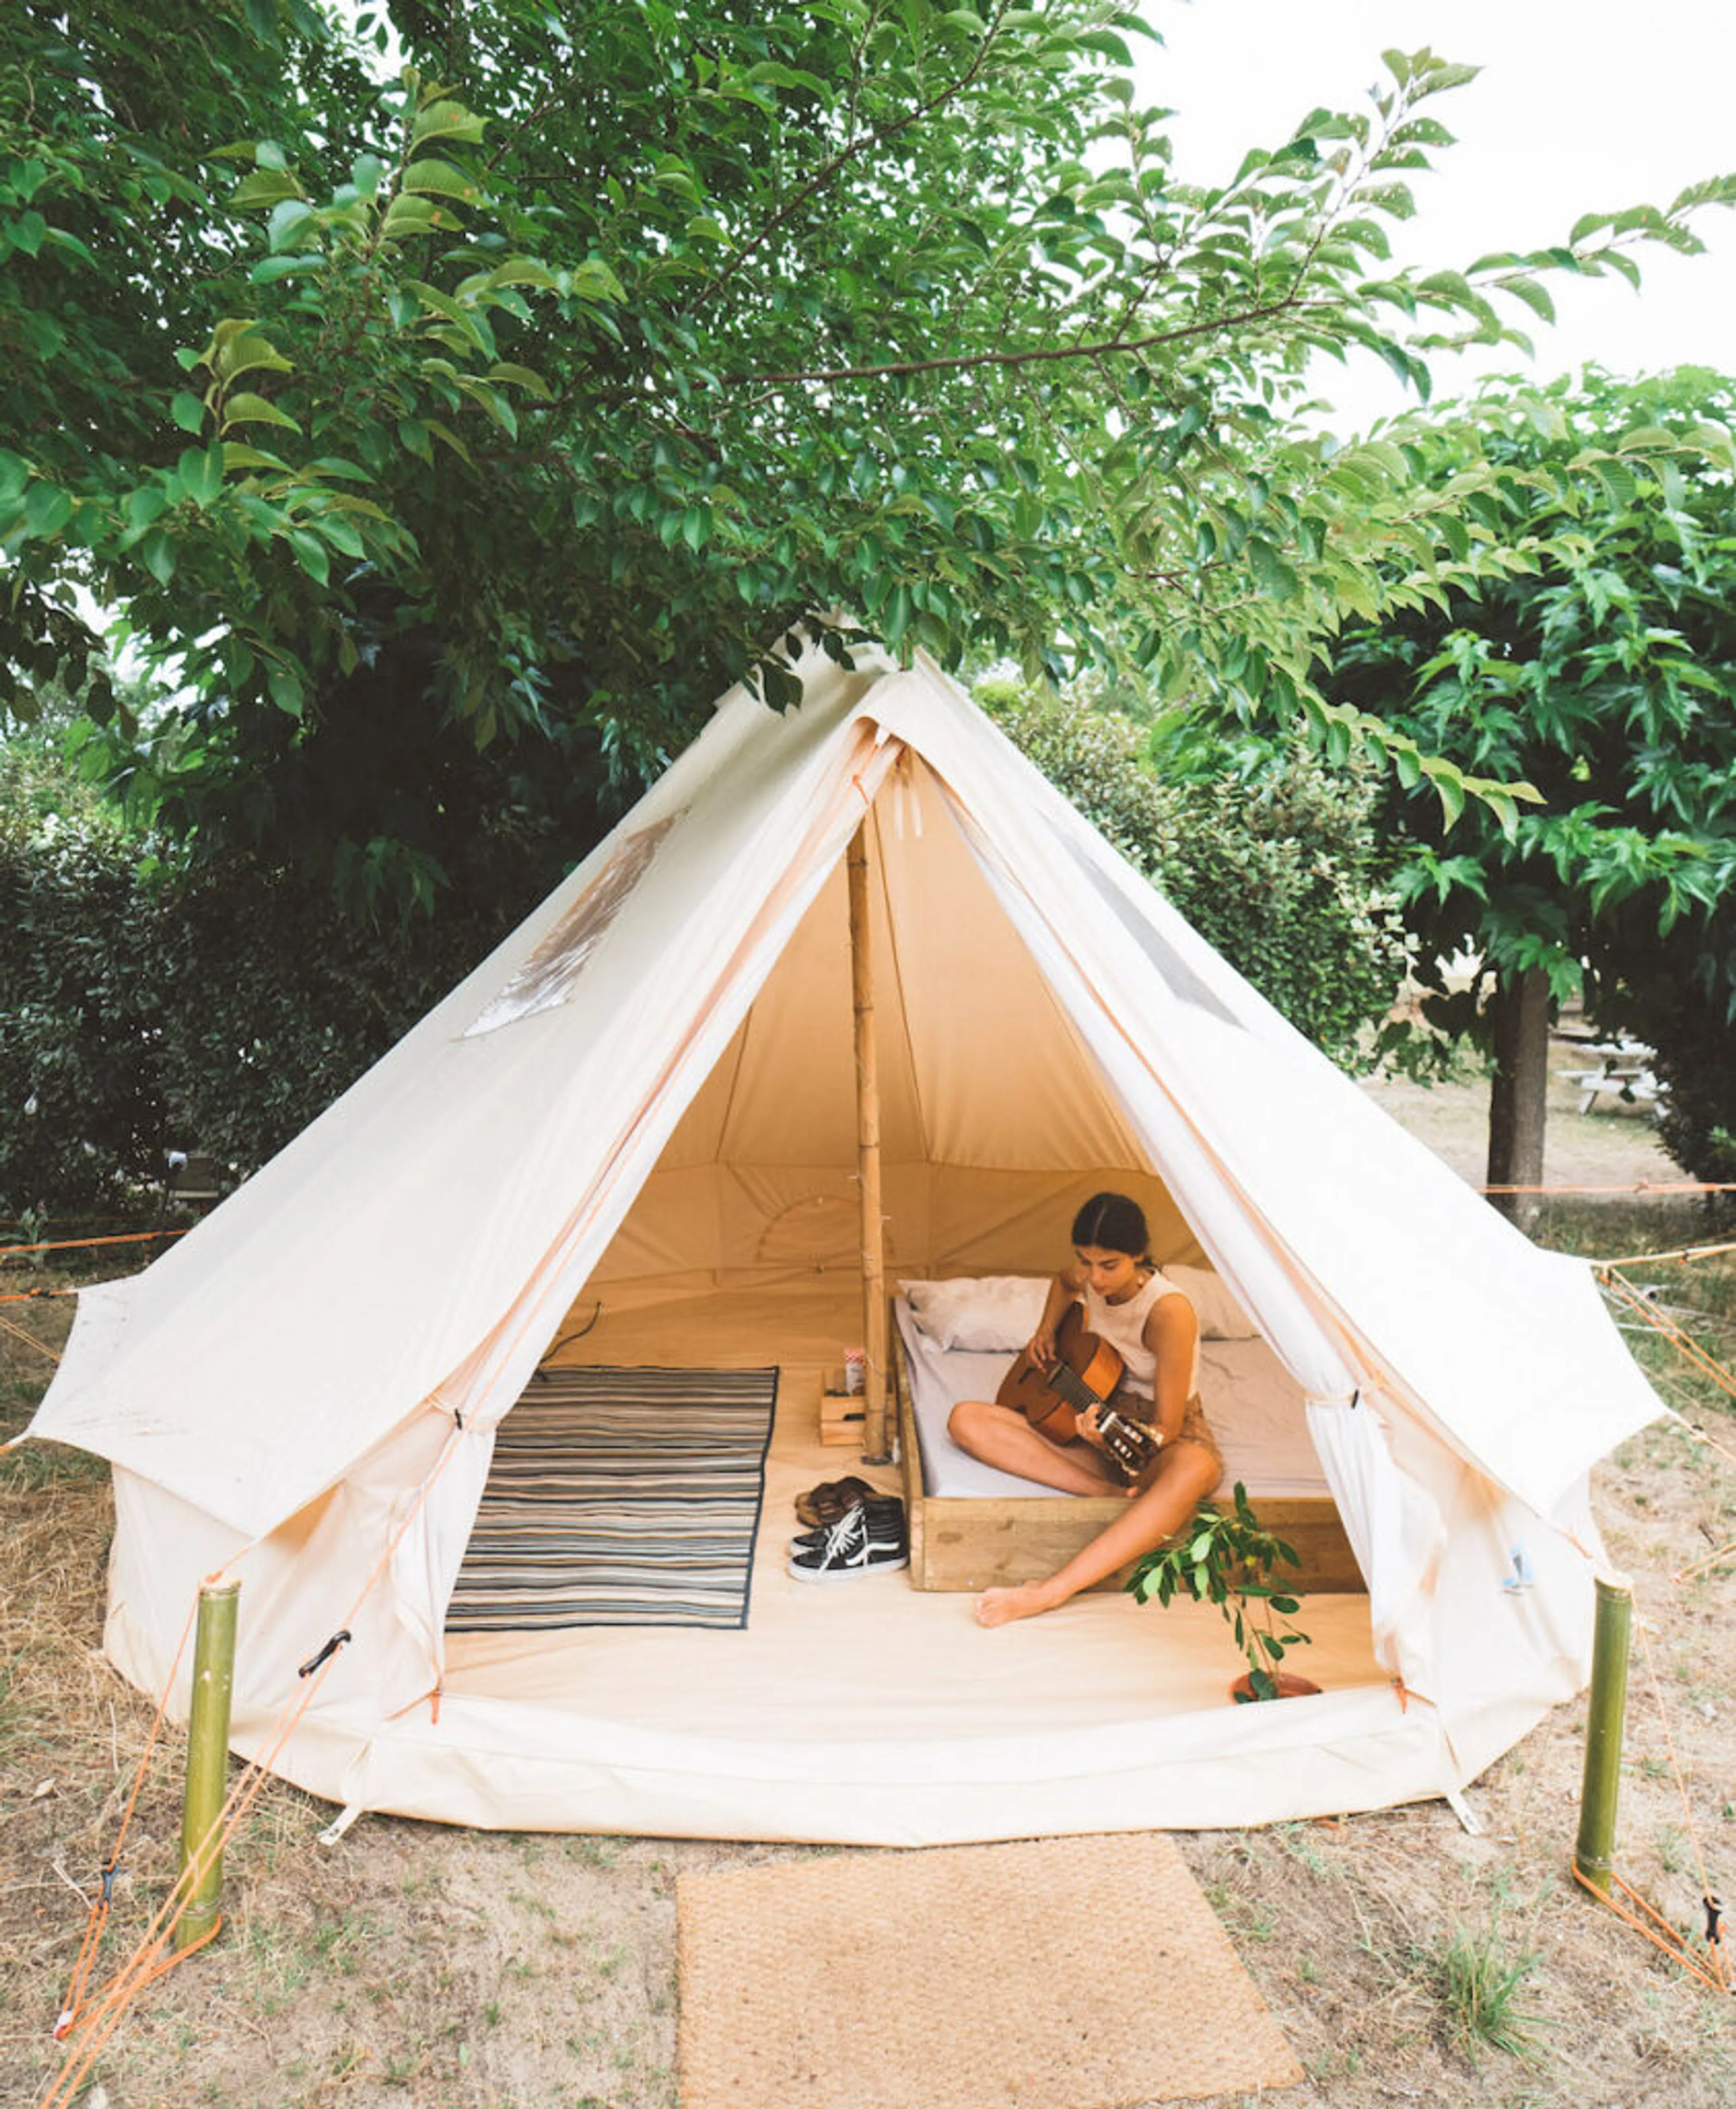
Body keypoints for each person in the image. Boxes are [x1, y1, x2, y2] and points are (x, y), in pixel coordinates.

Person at [947, 1192, 1225, 1628]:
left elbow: (1167, 1428)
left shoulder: (1169, 1311)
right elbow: (1064, 1283)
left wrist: (1113, 1435)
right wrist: (1045, 1332)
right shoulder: (1086, 1274)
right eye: (1086, 1261)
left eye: (1109, 1265)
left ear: (1138, 1257)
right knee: (966, 1418)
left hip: (1152, 1436)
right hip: (1093, 1409)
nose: (1094, 1278)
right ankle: (1105, 1493)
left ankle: (1052, 1590)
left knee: (1194, 1472)